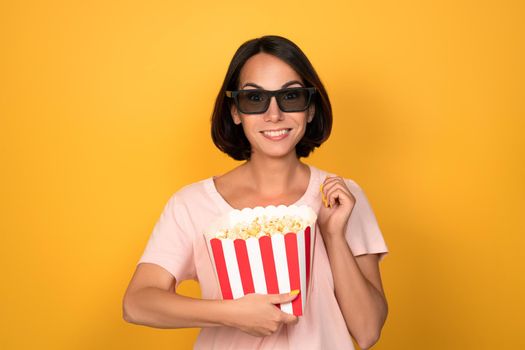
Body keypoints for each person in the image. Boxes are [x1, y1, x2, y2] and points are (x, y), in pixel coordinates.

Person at [122, 35, 389, 350]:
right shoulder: (192, 204)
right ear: (235, 112)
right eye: (254, 99)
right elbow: (137, 303)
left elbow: (368, 330)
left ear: (311, 109)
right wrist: (230, 314)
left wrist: (333, 235)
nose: (273, 114)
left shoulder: (341, 197)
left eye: (290, 97)